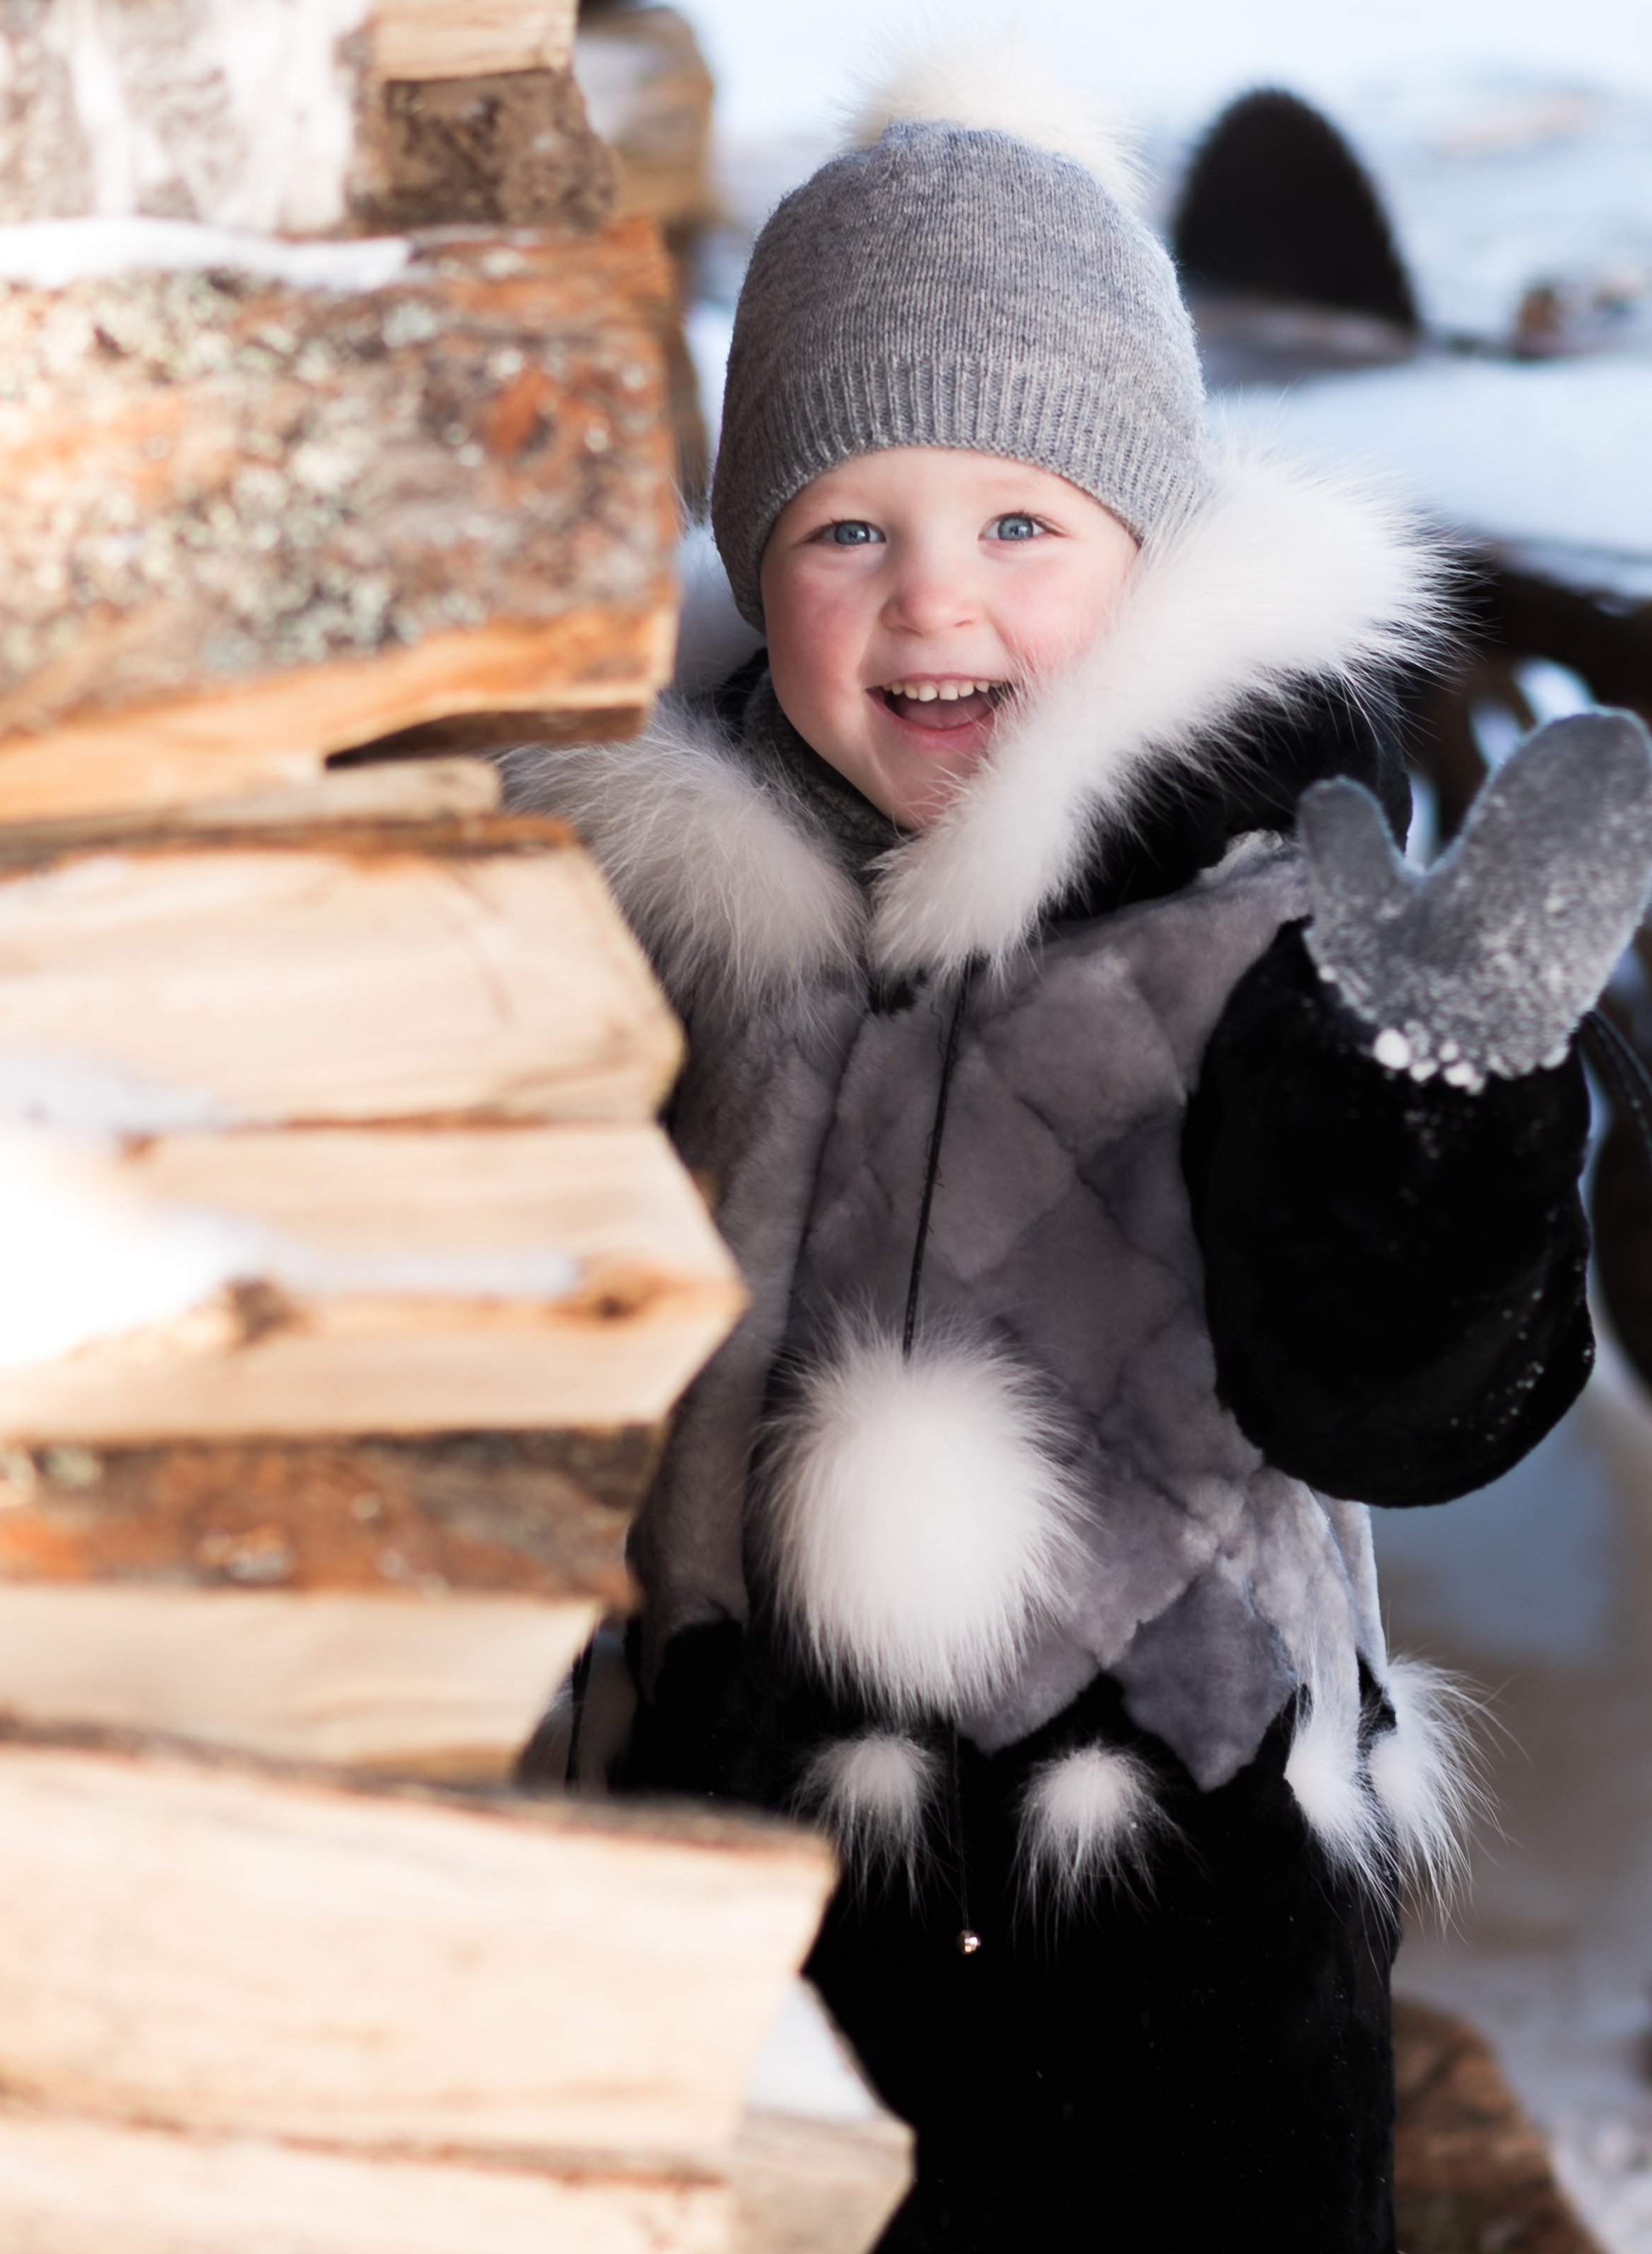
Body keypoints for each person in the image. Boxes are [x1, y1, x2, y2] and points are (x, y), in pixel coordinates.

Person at [508, 63, 1652, 2254]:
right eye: (851, 530)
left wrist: (1444, 1101)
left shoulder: (1260, 940)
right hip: (715, 1872)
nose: (937, 610)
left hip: (1165, 1939)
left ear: (1153, 552)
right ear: (757, 558)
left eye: (1022, 526)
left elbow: (1395, 1394)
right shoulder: (683, 918)